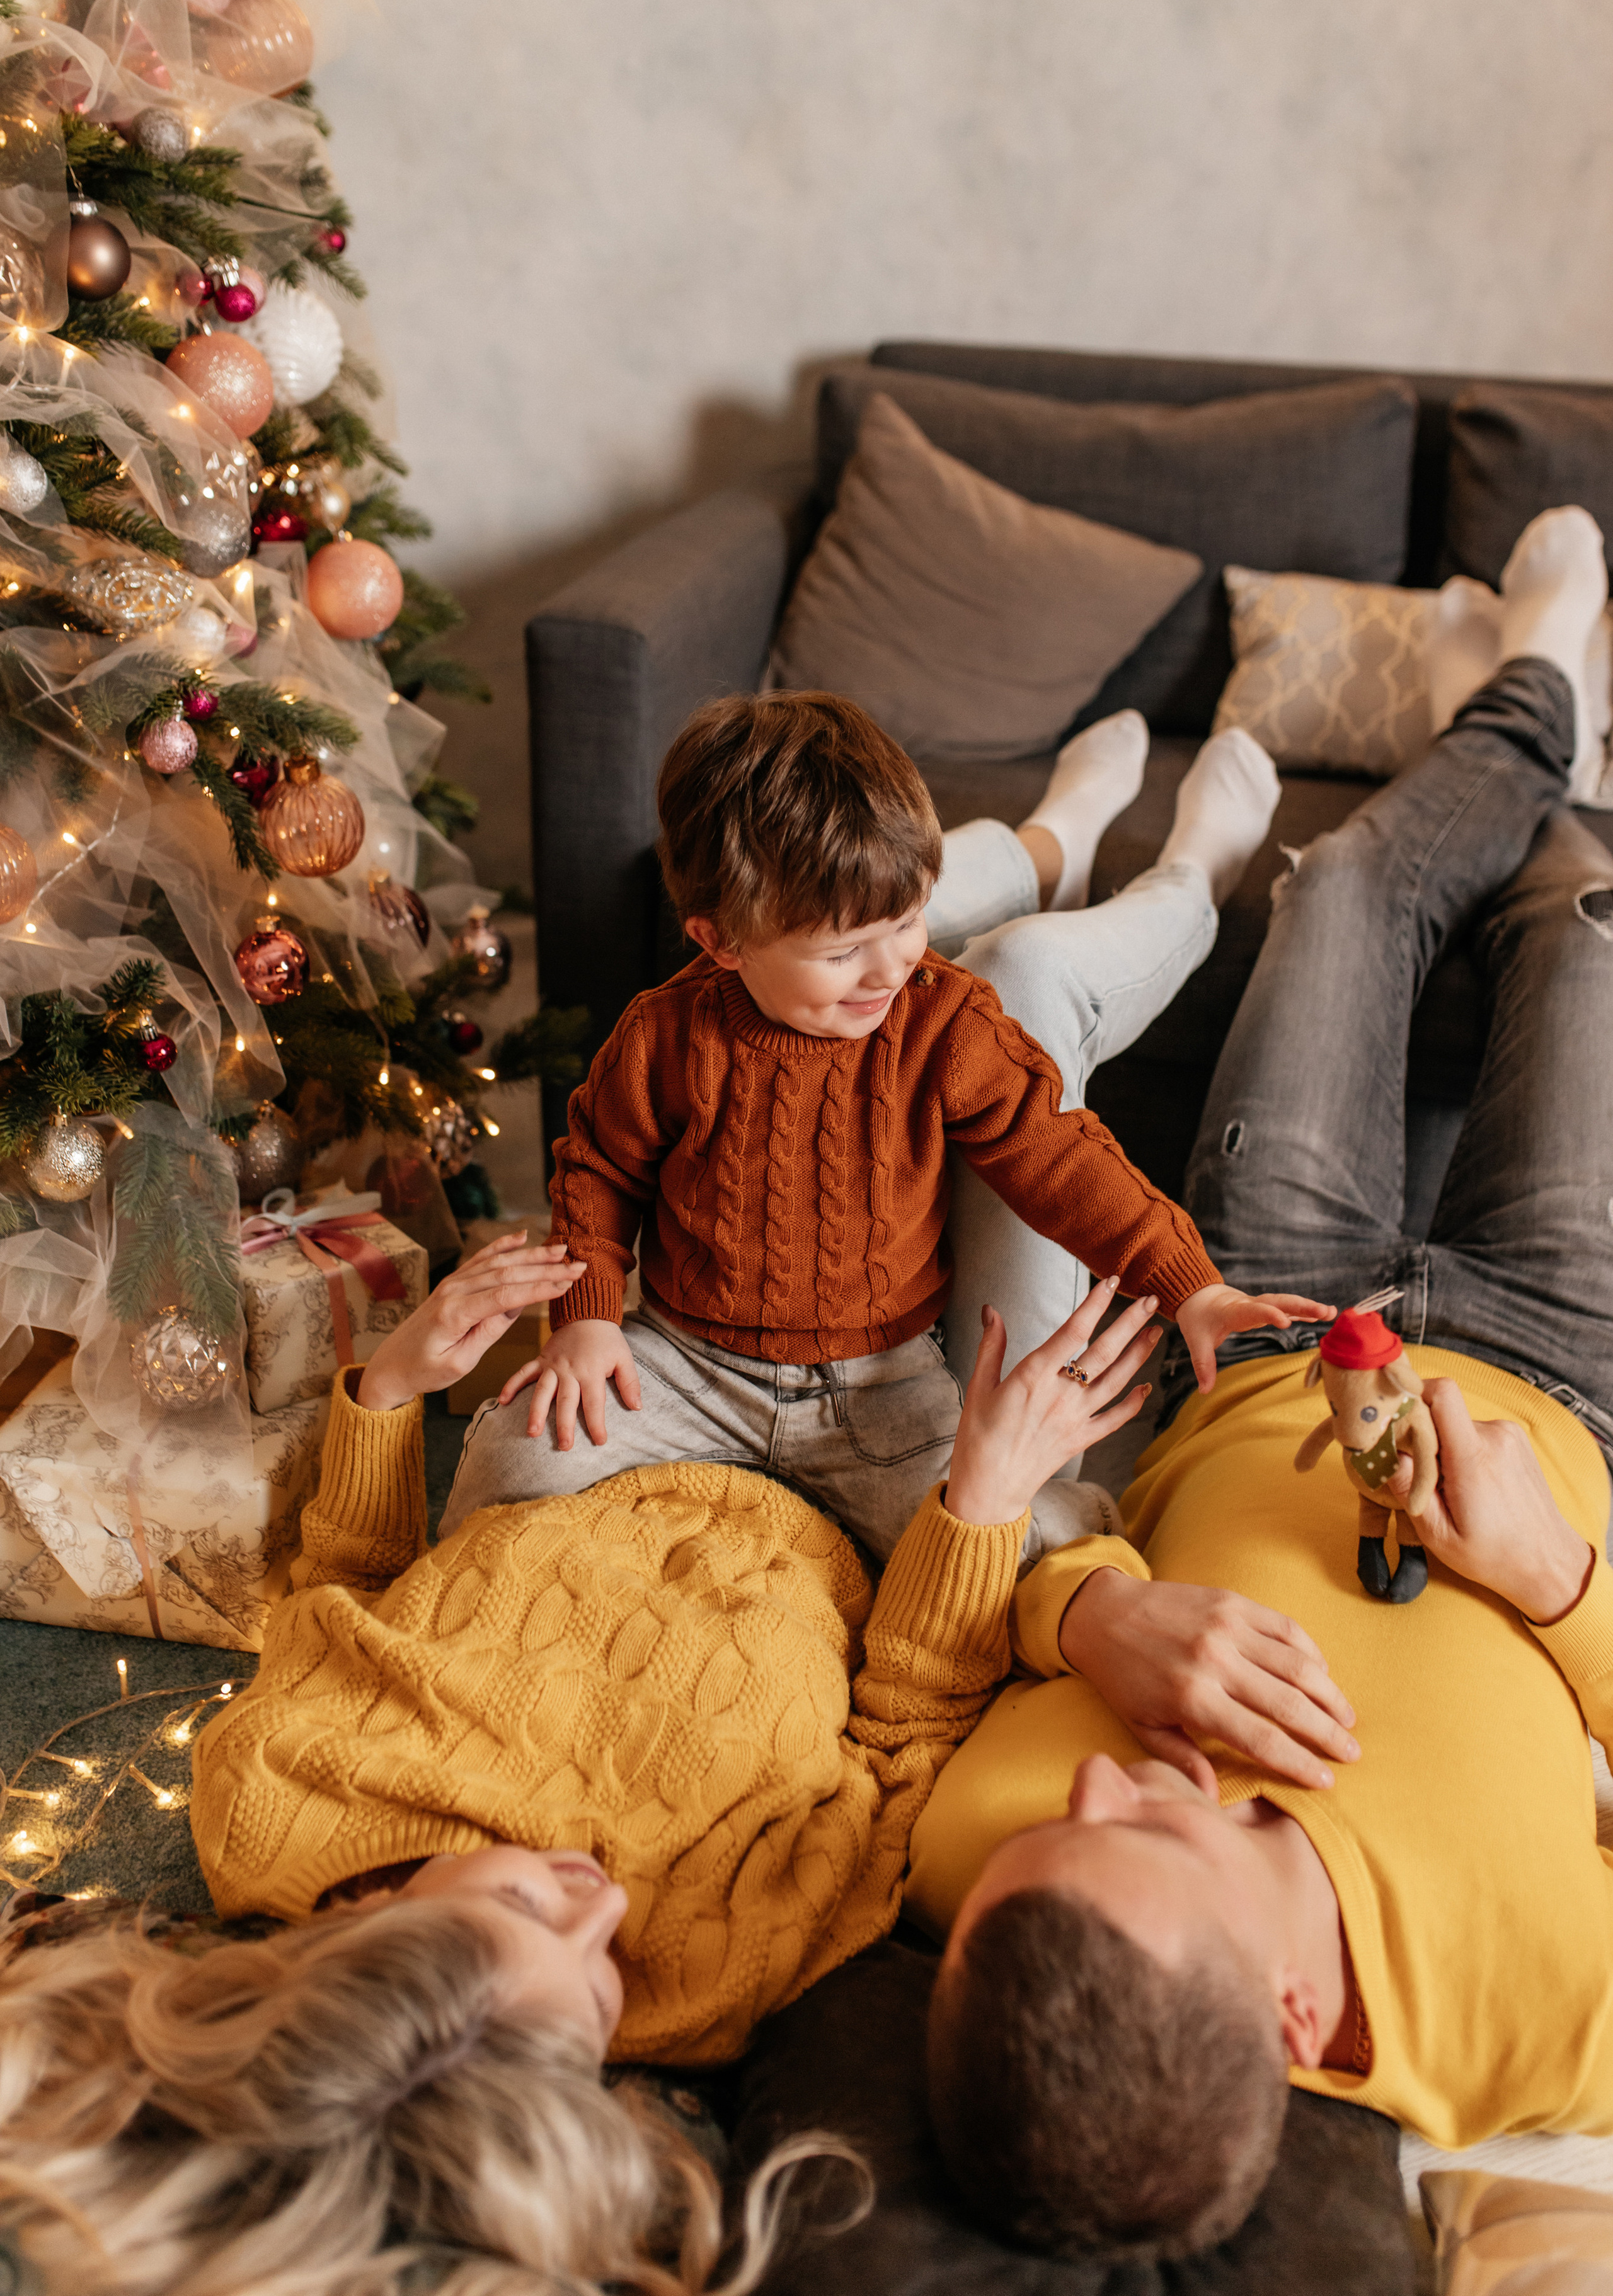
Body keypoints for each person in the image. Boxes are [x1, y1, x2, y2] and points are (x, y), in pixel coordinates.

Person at [0, 1235, 1161, 2296]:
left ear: (375, 1906)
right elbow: (903, 1744)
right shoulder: (719, 1986)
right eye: (600, 1984)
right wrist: (985, 1502)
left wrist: (395, 1385)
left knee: (852, 1097)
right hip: (860, 1521)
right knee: (1059, 1239)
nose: (600, 1904)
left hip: (580, 1453)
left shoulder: (267, 1806)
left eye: (522, 1902)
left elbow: (345, 1590)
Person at [915, 506, 1613, 2263]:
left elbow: (956, 1605)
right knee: (1586, 918)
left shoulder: (996, 1873)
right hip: (1568, 1361)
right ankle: (1542, 728)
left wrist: (1084, 1624)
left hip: (1270, 1321)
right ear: (1298, 2028)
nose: (1099, 1788)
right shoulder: (1549, 2017)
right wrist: (1558, 1582)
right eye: (1155, 1828)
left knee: (1350, 888)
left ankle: (1528, 683)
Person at [444, 689, 1324, 1556]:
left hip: (880, 1392)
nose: (891, 969)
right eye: (842, 952)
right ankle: (1053, 844)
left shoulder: (943, 1018)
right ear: (721, 944)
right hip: (687, 1365)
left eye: (908, 924)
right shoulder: (663, 1036)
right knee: (512, 1459)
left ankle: (1145, 862)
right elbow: (598, 1170)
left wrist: (1192, 1287)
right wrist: (589, 1319)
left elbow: (1059, 1157)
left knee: (1010, 1545)